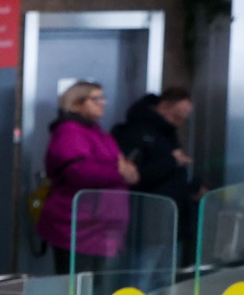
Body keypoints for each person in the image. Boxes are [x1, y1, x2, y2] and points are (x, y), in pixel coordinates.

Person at [37, 80, 137, 277]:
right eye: (96, 99)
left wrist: (127, 172)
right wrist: (119, 173)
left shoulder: (99, 133)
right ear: (77, 103)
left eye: (103, 98)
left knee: (97, 288)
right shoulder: (69, 132)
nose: (103, 103)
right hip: (79, 227)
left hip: (103, 229)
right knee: (76, 288)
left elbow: (126, 167)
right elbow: (79, 172)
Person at [113, 88, 201, 258]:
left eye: (183, 119)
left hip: (172, 217)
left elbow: (173, 176)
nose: (179, 123)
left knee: (166, 269)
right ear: (164, 106)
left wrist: (192, 187)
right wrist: (171, 162)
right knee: (145, 269)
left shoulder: (168, 133)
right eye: (176, 117)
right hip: (146, 218)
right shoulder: (135, 132)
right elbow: (134, 176)